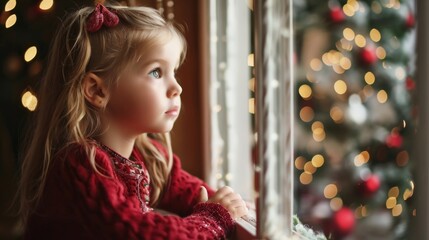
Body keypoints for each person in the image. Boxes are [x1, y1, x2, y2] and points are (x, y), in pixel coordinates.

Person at [18, 2, 248, 239]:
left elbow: (201, 194)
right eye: (156, 72)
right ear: (97, 91)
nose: (177, 87)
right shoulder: (80, 165)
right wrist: (213, 218)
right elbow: (142, 234)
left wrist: (224, 208)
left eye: (174, 72)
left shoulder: (149, 157)